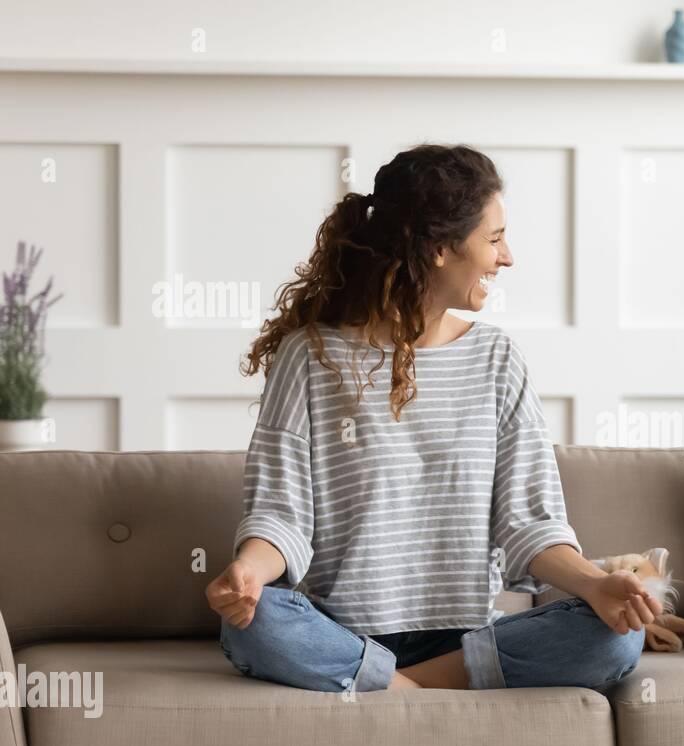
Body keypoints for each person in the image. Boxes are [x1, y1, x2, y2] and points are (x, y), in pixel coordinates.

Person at [205, 144, 660, 692]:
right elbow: (281, 516)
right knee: (252, 627)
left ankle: (391, 686)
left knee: (616, 635)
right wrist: (250, 574)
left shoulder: (496, 360)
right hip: (341, 629)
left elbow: (530, 526)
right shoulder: (309, 357)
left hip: (462, 635)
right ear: (440, 247)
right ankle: (418, 684)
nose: (507, 257)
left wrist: (595, 585)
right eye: (494, 239)